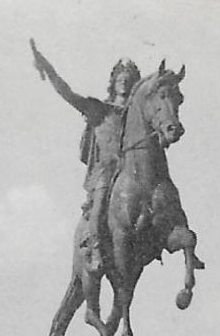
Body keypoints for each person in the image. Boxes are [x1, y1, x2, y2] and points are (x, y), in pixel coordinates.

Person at [30, 43, 142, 275]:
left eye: (128, 77)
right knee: (100, 202)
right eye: (120, 77)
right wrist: (47, 68)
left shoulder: (136, 115)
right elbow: (67, 92)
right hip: (106, 171)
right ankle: (94, 247)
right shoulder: (99, 109)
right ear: (114, 81)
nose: (124, 81)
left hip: (131, 172)